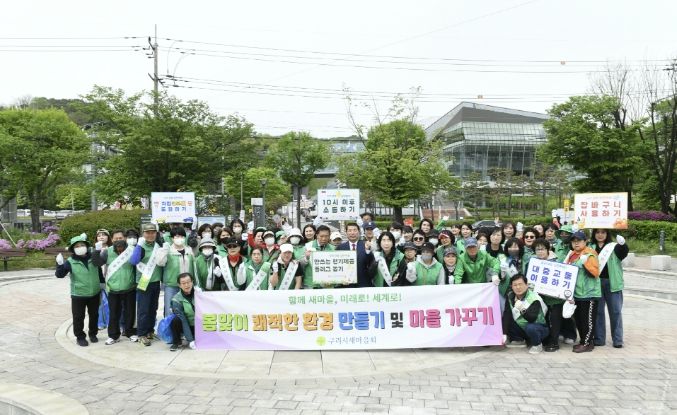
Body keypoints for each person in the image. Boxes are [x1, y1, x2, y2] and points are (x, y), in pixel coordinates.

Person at [55, 234, 104, 347]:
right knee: (78, 317)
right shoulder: (70, 261)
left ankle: (93, 334)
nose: (80, 247)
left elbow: (99, 271)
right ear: (73, 249)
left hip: (94, 293)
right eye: (77, 246)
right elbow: (60, 275)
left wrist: (102, 283)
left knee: (94, 315)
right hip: (78, 294)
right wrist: (60, 264)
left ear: (86, 246)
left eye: (82, 245)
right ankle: (80, 337)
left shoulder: (93, 258)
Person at [92, 238, 136, 345]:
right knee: (114, 313)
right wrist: (96, 251)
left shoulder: (131, 250)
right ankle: (113, 335)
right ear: (112, 239)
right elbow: (97, 263)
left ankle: (130, 332)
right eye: (116, 238)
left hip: (129, 287)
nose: (118, 240)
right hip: (113, 288)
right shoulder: (107, 252)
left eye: (120, 237)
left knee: (130, 312)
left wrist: (138, 246)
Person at [130, 223, 168, 346]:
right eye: (148, 232)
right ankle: (141, 334)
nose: (150, 235)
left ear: (156, 233)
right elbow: (133, 261)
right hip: (143, 281)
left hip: (156, 281)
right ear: (143, 234)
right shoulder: (140, 246)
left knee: (153, 308)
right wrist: (139, 245)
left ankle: (150, 331)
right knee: (143, 310)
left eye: (153, 232)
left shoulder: (159, 245)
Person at [591, 229, 629, 348]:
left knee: (615, 312)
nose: (600, 235)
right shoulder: (590, 247)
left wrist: (623, 244)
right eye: (597, 232)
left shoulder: (614, 247)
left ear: (607, 234)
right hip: (596, 284)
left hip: (613, 283)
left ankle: (617, 340)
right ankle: (599, 339)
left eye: (603, 232)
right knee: (598, 312)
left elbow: (623, 253)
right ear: (594, 234)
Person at [564, 230, 601, 353]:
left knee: (588, 321)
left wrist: (585, 264)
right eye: (573, 241)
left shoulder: (590, 254)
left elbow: (595, 273)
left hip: (589, 294)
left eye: (579, 241)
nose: (576, 243)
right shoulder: (571, 254)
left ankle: (587, 343)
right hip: (577, 294)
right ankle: (583, 341)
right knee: (579, 320)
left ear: (585, 241)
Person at [531, 238, 564, 352]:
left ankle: (554, 342)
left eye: (542, 249)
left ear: (548, 250)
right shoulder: (533, 263)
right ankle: (545, 339)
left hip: (555, 298)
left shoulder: (557, 262)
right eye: (537, 249)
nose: (540, 252)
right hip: (541, 298)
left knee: (555, 320)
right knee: (544, 319)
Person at [503, 274, 549, 354]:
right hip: (522, 327)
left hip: (539, 328)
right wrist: (504, 333)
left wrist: (522, 309)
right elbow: (507, 314)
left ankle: (537, 344)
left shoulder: (534, 298)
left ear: (526, 285)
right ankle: (518, 339)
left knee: (530, 327)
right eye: (515, 285)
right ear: (512, 286)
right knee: (505, 320)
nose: (518, 287)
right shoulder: (510, 296)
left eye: (520, 284)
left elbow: (532, 318)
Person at [158, 227, 196, 317]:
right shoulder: (167, 250)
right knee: (170, 310)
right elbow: (160, 262)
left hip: (188, 286)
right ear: (172, 238)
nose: (180, 238)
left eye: (182, 236)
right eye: (177, 236)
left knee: (188, 311)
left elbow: (194, 266)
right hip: (172, 285)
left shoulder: (189, 250)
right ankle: (170, 326)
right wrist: (165, 250)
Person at [339, 222, 375, 288]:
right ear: (346, 233)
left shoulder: (366, 245)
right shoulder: (340, 248)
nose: (352, 233)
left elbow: (371, 263)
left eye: (355, 230)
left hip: (364, 283)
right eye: (350, 230)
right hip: (346, 284)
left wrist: (368, 250)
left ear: (359, 232)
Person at [169, 273, 197, 352]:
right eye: (183, 283)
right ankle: (176, 342)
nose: (186, 285)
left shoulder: (199, 292)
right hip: (187, 324)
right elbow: (183, 320)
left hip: (200, 325)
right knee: (175, 320)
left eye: (188, 282)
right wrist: (190, 340)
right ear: (179, 285)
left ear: (192, 282)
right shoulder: (176, 299)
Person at [497, 237, 524, 313]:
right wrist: (502, 273)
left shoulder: (523, 259)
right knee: (504, 312)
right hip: (504, 290)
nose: (512, 249)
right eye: (510, 247)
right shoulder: (501, 258)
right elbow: (497, 273)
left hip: (520, 290)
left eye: (515, 247)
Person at [94, 229, 111, 331]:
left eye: (104, 235)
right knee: (99, 303)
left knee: (108, 302)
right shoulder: (93, 250)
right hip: (98, 280)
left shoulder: (112, 249)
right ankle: (100, 322)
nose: (101, 237)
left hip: (109, 279)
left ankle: (110, 322)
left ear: (108, 237)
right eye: (99, 235)